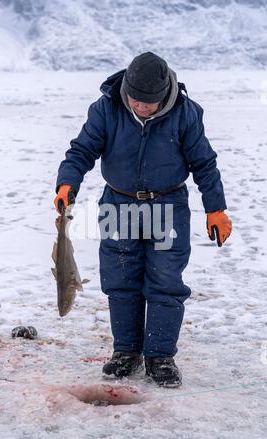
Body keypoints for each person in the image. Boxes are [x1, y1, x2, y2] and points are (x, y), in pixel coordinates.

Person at [54, 52, 232, 387]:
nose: (141, 107)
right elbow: (82, 150)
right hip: (118, 204)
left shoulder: (185, 112)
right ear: (126, 91)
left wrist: (216, 208)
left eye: (148, 103)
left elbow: (204, 164)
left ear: (163, 94)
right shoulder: (106, 108)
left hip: (167, 206)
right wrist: (67, 183)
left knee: (165, 281)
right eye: (135, 100)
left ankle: (160, 356)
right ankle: (126, 352)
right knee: (121, 280)